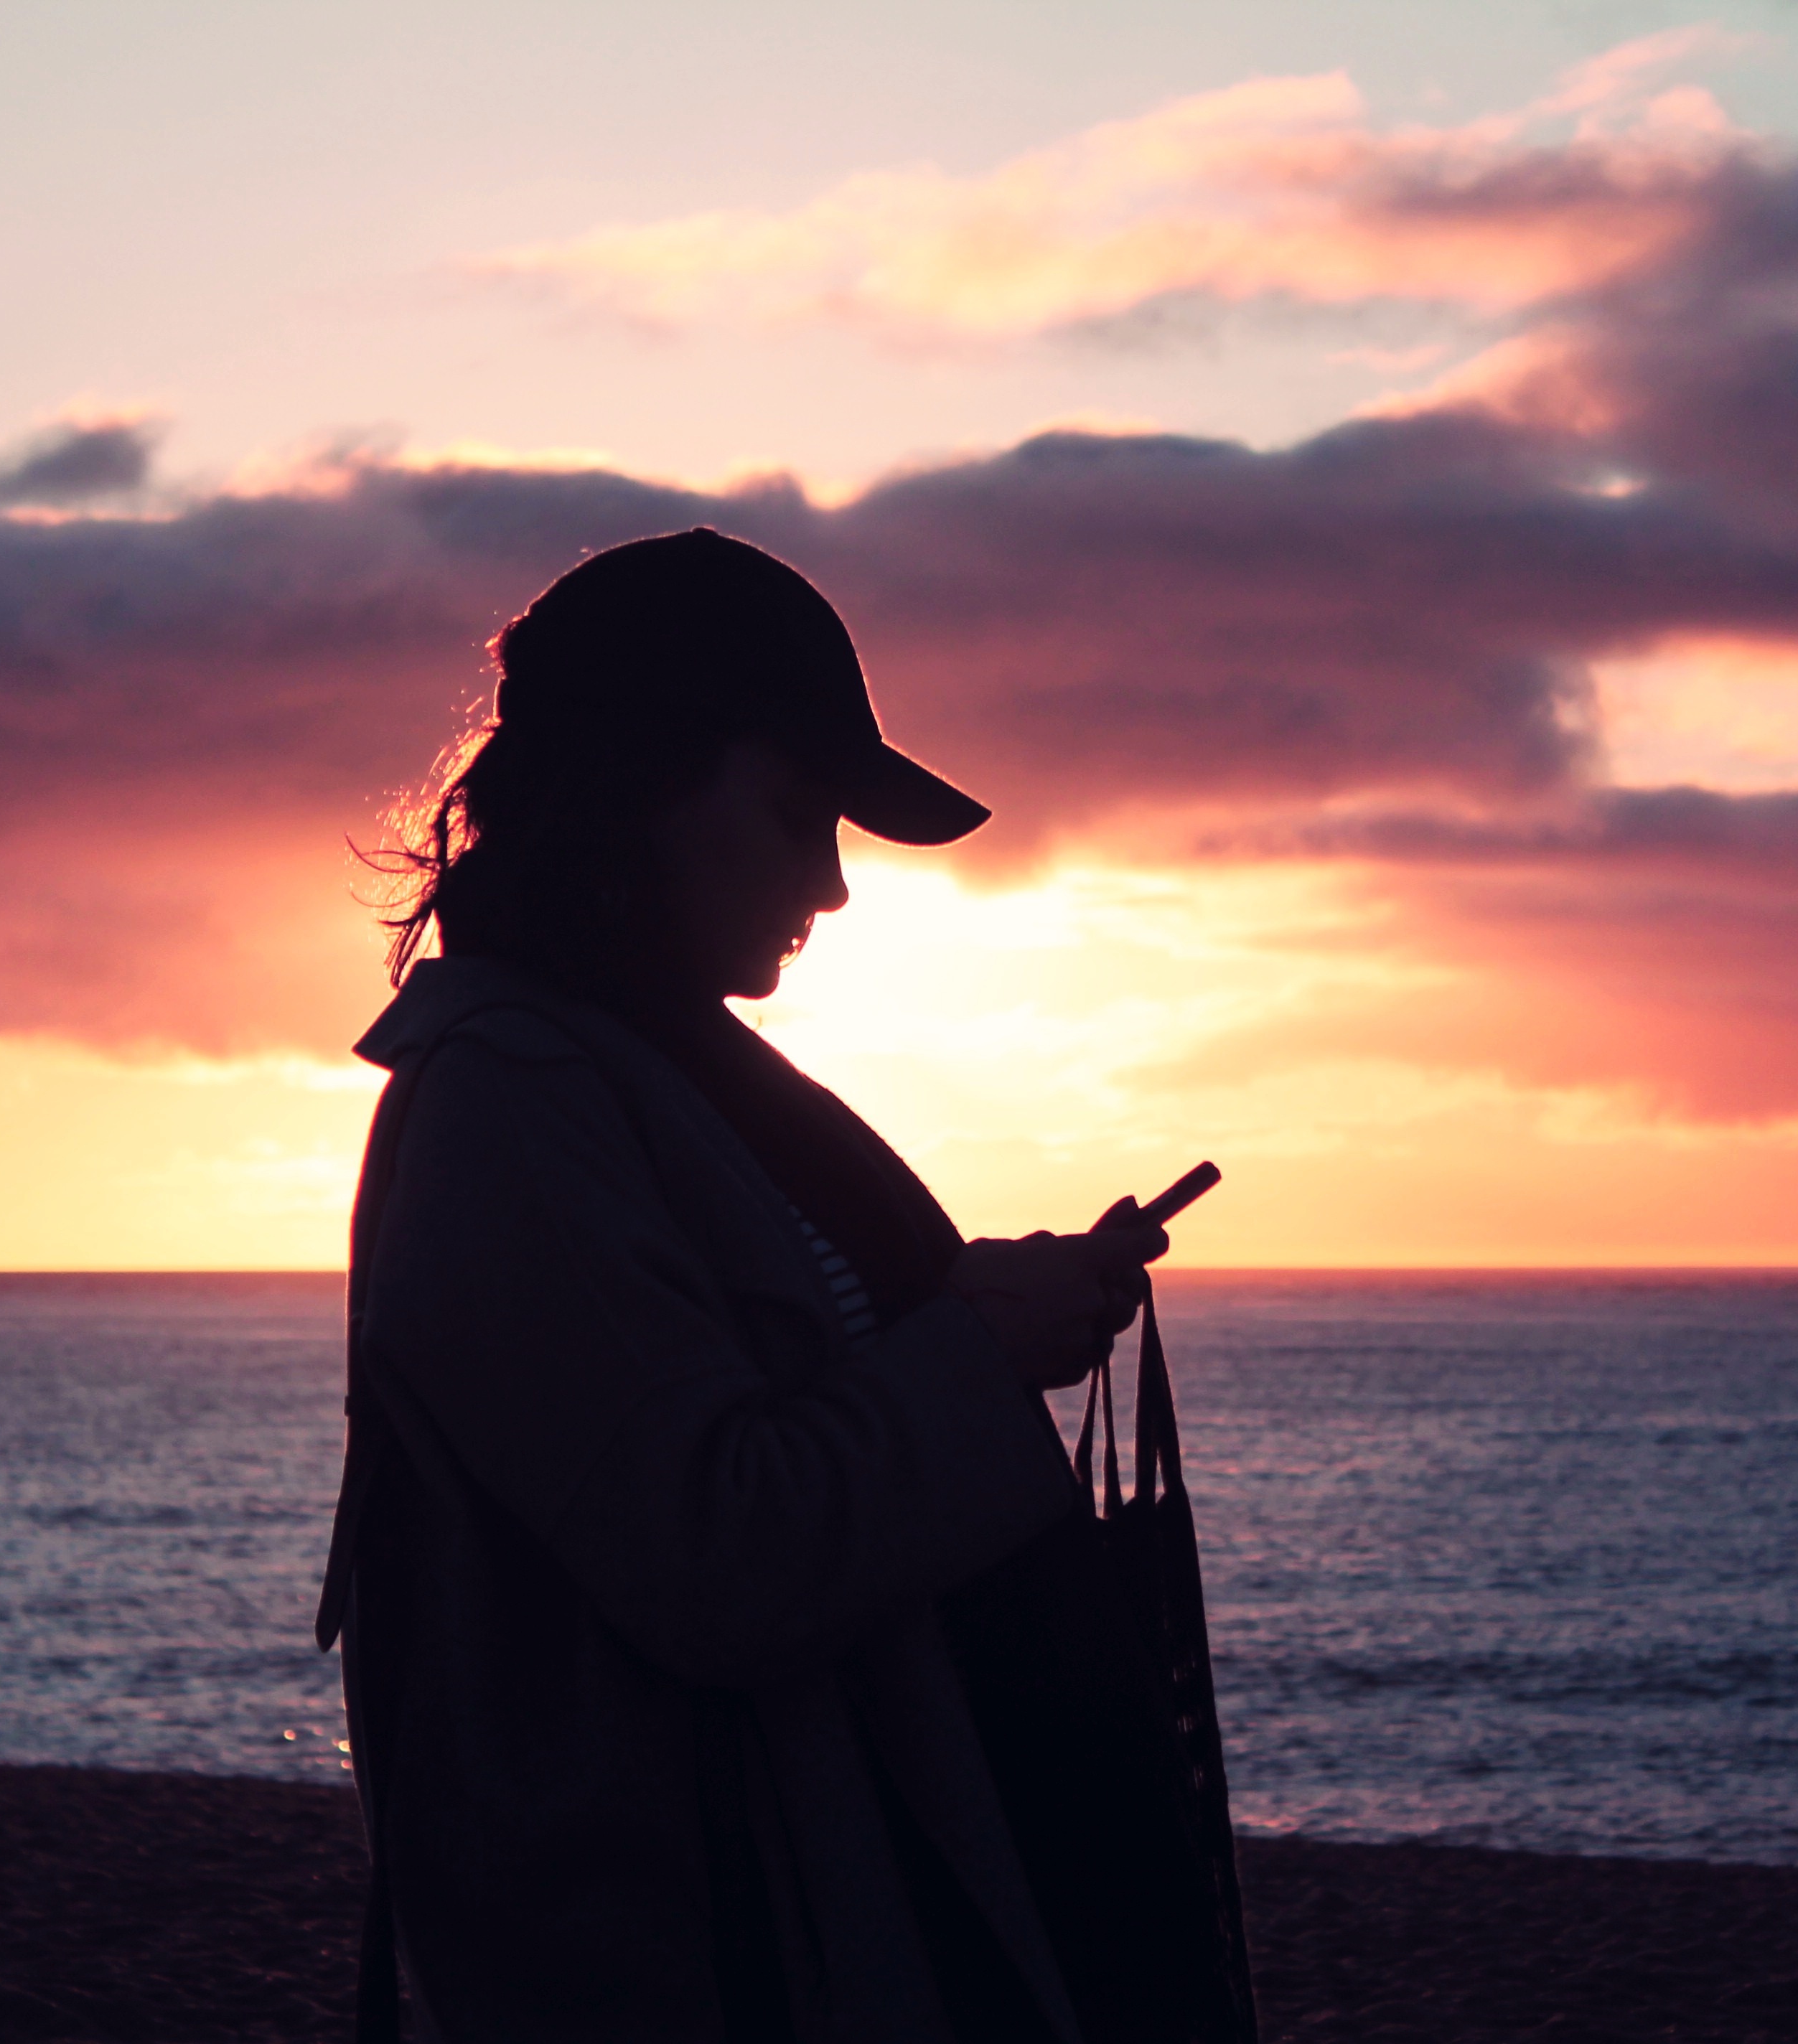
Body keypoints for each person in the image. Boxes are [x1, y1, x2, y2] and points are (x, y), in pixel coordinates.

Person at [319, 528, 1171, 2044]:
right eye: (794, 816)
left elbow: (748, 1406)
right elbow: (714, 1546)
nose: (833, 884)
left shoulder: (651, 1082)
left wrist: (961, 1318)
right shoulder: (510, 1106)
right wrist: (976, 1353)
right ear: (638, 790)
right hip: (701, 1963)